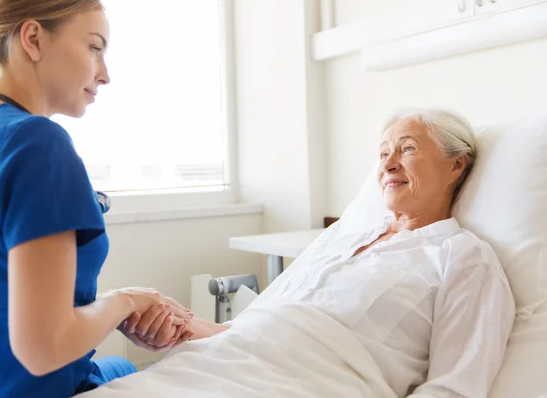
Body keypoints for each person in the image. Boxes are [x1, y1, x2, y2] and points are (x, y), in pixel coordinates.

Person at [99, 109, 515, 398]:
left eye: (406, 149)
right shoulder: (341, 238)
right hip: (213, 367)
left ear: (456, 166)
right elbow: (256, 331)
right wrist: (181, 329)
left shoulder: (463, 258)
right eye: (383, 153)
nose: (388, 164)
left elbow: (455, 388)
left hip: (304, 385)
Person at [0, 0, 193, 397]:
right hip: (20, 387)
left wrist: (119, 311)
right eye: (95, 47)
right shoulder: (36, 143)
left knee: (123, 364)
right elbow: (44, 349)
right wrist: (125, 301)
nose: (106, 74)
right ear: (33, 39)